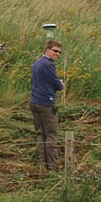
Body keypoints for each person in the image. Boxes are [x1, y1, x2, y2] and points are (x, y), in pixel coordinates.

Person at [30, 40, 64, 170]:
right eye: (55, 51)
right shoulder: (48, 65)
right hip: (45, 104)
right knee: (50, 134)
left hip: (35, 102)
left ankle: (42, 165)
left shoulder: (37, 63)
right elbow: (57, 84)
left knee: (41, 134)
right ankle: (52, 166)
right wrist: (61, 84)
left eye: (59, 52)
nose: (57, 54)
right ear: (48, 49)